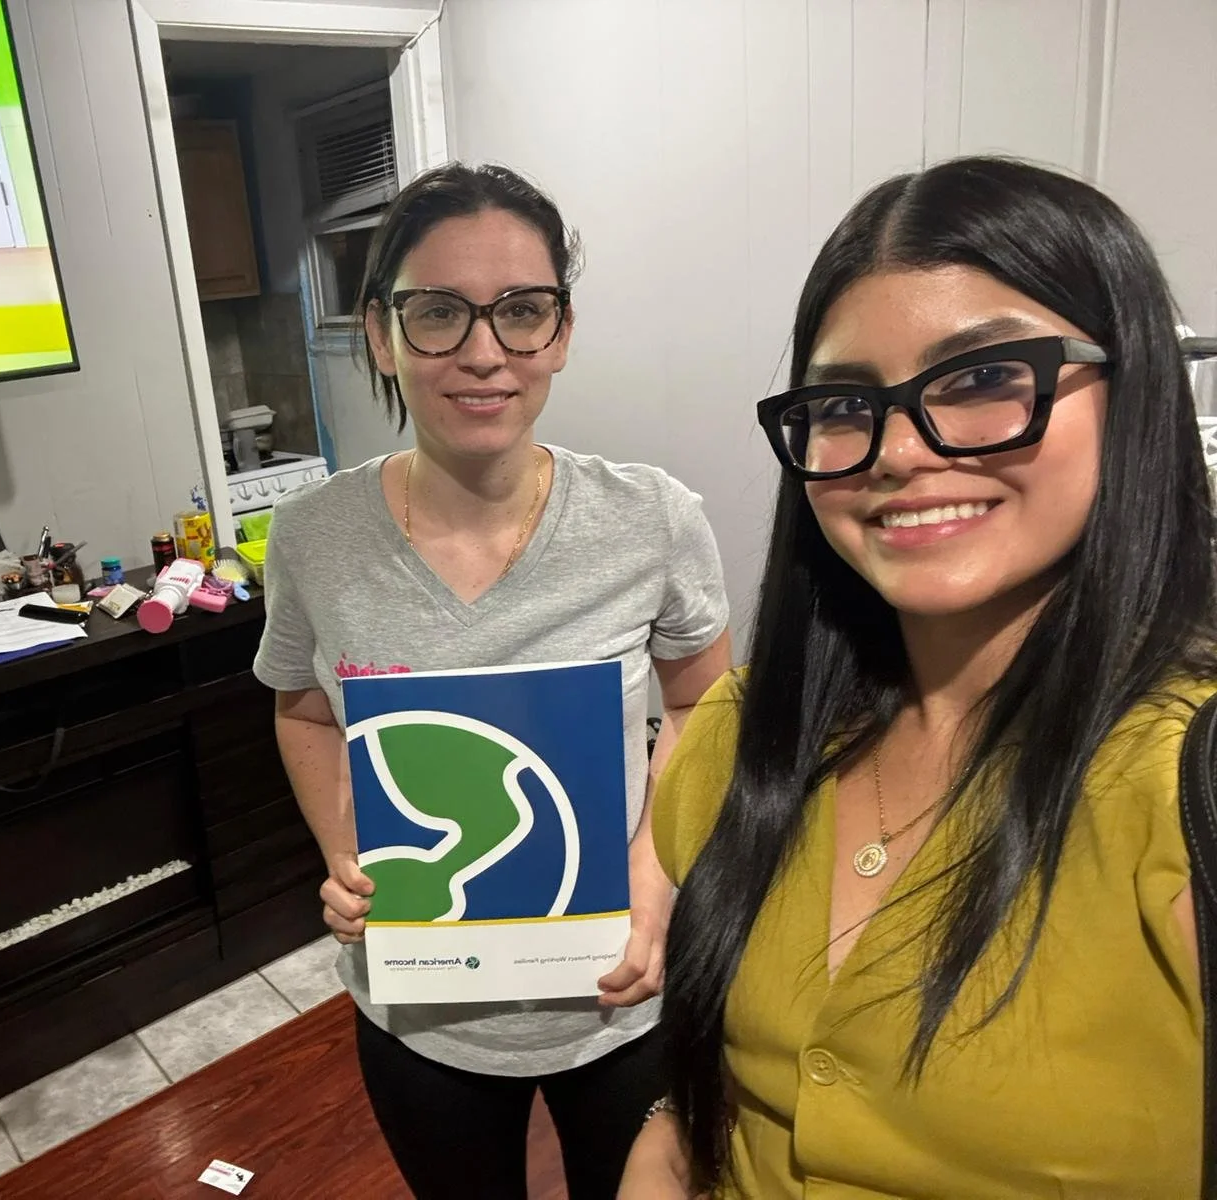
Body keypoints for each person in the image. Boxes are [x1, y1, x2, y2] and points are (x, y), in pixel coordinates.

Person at [620, 156, 1217, 1198]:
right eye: (846, 403)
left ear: (1136, 393)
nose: (896, 451)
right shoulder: (744, 732)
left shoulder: (1183, 779)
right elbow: (709, 1103)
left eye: (984, 378)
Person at [253, 162, 731, 1200]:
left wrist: (653, 881)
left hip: (620, 995)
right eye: (437, 312)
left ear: (560, 331)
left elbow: (704, 702)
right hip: (420, 1008)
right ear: (381, 334)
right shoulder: (313, 537)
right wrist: (345, 852)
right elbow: (304, 711)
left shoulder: (651, 520)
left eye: (521, 311)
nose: (483, 352)